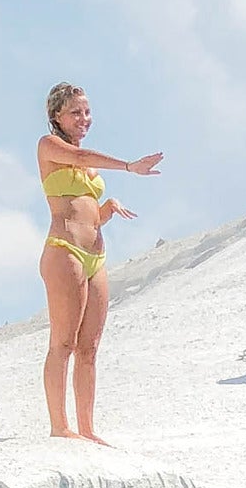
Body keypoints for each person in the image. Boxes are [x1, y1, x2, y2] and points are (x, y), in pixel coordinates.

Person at [36, 81, 159, 444]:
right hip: (64, 250)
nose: (84, 118)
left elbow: (89, 213)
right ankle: (60, 426)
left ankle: (87, 428)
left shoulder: (83, 161)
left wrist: (106, 210)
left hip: (95, 255)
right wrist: (128, 166)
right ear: (56, 116)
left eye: (87, 112)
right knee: (64, 342)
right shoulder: (49, 147)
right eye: (76, 112)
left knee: (89, 347)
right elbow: (80, 158)